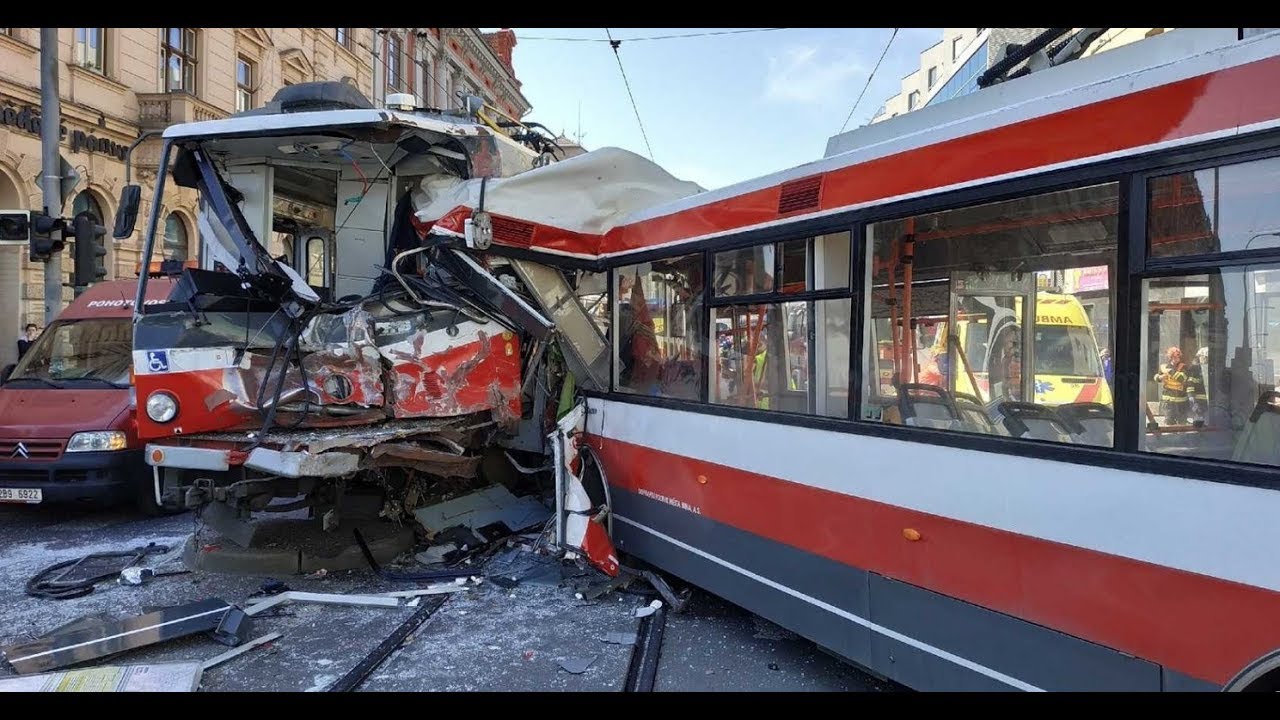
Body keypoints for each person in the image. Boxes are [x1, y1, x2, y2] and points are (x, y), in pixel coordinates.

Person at [1154, 346, 1190, 426]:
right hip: (1168, 401)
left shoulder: (1183, 367)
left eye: (1178, 356)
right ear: (1170, 357)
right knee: (1169, 423)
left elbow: (1182, 378)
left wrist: (1171, 372)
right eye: (1175, 356)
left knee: (1182, 423)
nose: (1177, 358)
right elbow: (1156, 377)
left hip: (1181, 401)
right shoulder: (1163, 367)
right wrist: (1160, 377)